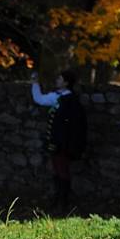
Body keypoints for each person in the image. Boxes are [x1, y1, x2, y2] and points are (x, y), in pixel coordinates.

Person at [30, 69, 87, 214]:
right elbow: (41, 99)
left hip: (64, 143)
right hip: (59, 142)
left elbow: (73, 125)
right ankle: (59, 199)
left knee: (62, 170)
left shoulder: (67, 100)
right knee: (58, 169)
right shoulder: (61, 97)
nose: (57, 81)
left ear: (66, 83)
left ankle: (63, 202)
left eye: (60, 79)